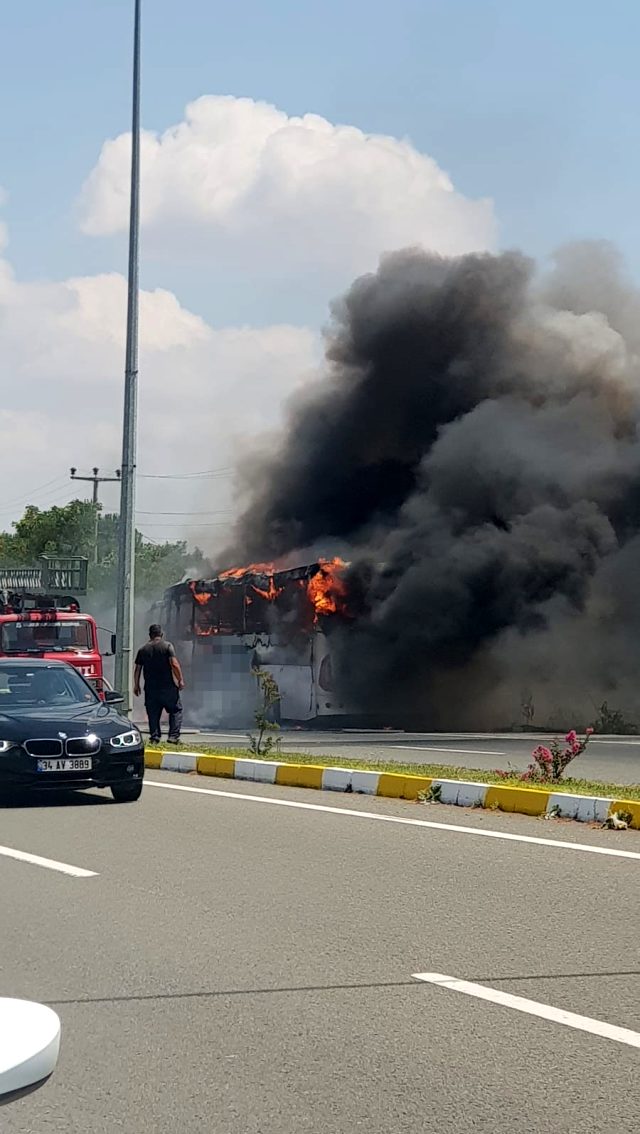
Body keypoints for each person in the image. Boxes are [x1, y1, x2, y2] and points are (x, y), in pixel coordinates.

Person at [133, 624, 185, 744]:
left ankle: (155, 737)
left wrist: (136, 685)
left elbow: (138, 669)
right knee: (175, 710)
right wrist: (180, 679)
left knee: (153, 713)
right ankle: (173, 737)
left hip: (150, 688)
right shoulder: (167, 646)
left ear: (150, 635)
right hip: (167, 686)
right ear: (161, 634)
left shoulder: (143, 649)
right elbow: (174, 664)